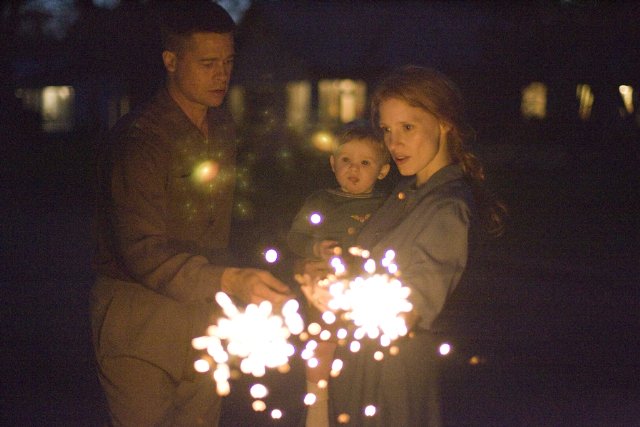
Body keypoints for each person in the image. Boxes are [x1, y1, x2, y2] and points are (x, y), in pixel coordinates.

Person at [90, 3, 292, 426]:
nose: (222, 74)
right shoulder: (140, 140)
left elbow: (227, 219)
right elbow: (142, 251)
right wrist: (230, 278)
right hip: (141, 321)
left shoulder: (221, 128)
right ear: (170, 61)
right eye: (207, 63)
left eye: (228, 62)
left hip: (204, 315)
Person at [303, 66, 505, 426]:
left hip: (396, 385)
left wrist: (341, 296)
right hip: (363, 372)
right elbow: (362, 267)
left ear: (444, 123)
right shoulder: (404, 195)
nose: (393, 144)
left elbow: (406, 310)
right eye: (386, 130)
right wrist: (325, 271)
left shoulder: (447, 208)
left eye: (407, 128)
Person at [287, 125, 391, 427]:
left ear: (382, 171)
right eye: (346, 160)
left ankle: (363, 405)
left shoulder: (386, 205)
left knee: (365, 352)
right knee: (323, 342)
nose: (353, 169)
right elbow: (296, 237)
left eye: (365, 163)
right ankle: (317, 405)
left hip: (367, 293)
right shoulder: (322, 200)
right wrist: (315, 247)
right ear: (333, 164)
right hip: (327, 291)